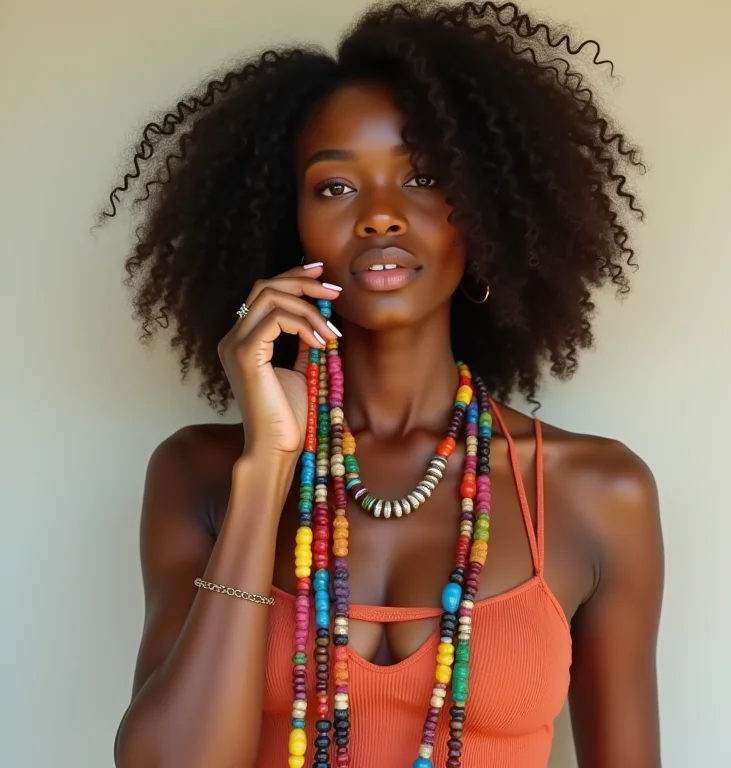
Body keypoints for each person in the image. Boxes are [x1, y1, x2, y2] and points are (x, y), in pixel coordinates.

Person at [105, 2, 664, 766]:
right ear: (285, 224)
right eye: (335, 187)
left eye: (424, 177)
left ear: (485, 213)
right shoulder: (200, 475)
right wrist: (267, 471)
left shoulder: (597, 492)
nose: (378, 218)